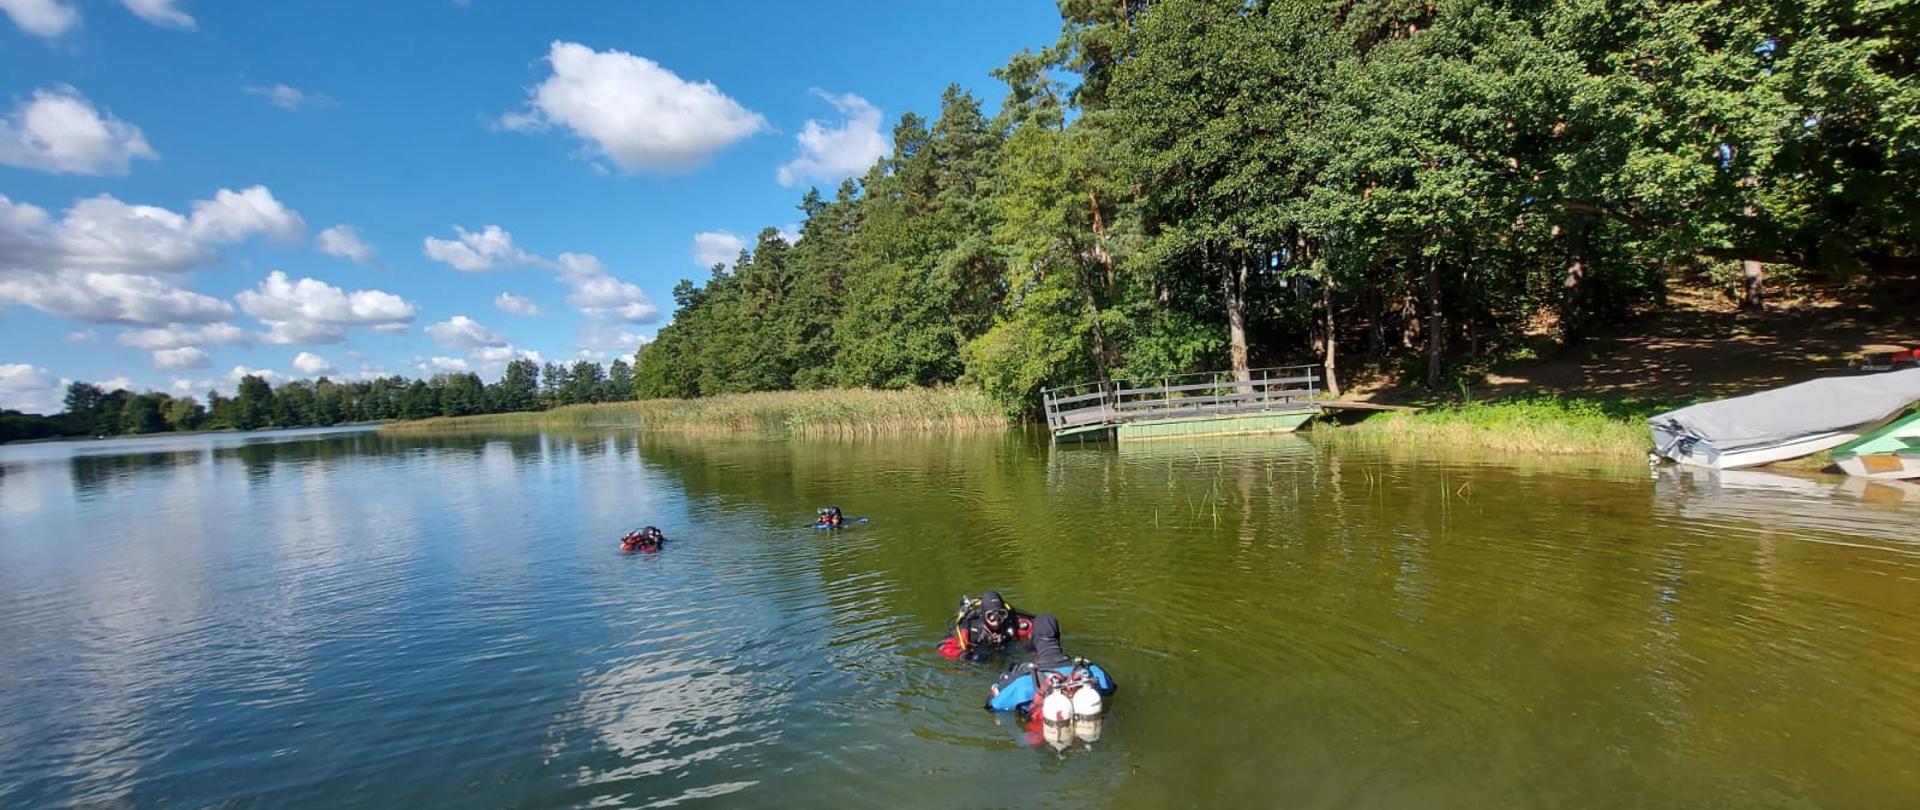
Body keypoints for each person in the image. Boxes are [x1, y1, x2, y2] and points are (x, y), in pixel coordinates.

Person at [985, 615, 1114, 715]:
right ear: (1058, 637)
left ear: (1033, 640)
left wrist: (1003, 683)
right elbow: (1111, 689)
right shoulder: (1091, 670)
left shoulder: (1022, 682)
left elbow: (992, 706)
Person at [939, 591, 1034, 660]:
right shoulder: (970, 628)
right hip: (979, 653)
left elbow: (1039, 625)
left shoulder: (1011, 623)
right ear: (983, 615)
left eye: (1001, 614)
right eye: (991, 615)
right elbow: (943, 647)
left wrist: (1035, 644)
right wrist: (966, 656)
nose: (996, 620)